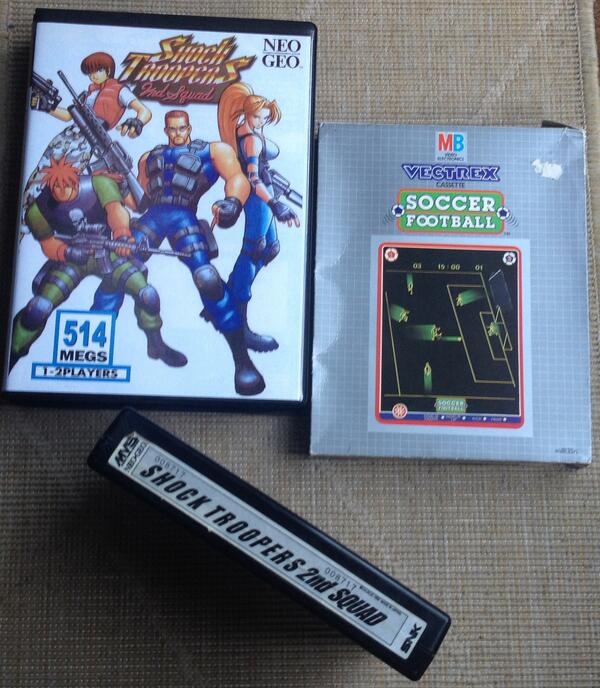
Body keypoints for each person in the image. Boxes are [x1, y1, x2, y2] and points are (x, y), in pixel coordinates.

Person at [92, 110, 265, 396]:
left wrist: (233, 202)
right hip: (151, 219)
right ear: (165, 130)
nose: (177, 133)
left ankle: (242, 361)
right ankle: (136, 341)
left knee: (207, 278)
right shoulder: (149, 157)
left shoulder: (212, 151)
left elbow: (238, 178)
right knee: (116, 270)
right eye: (172, 129)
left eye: (182, 128)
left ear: (189, 127)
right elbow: (137, 202)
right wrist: (114, 182)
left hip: (184, 218)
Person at [10, 156, 186, 371]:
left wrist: (122, 236)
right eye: (56, 187)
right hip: (71, 259)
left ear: (76, 180)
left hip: (107, 252)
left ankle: (156, 344)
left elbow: (115, 211)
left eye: (67, 185)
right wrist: (66, 251)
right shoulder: (38, 209)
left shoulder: (98, 184)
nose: (62, 191)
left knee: (147, 295)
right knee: (38, 308)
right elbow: (48, 243)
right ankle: (12, 352)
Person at [217, 82, 300, 352]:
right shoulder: (250, 139)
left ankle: (227, 298)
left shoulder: (252, 132)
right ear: (246, 114)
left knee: (271, 248)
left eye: (265, 118)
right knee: (253, 250)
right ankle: (238, 326)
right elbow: (253, 178)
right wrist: (275, 204)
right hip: (259, 198)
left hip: (267, 193)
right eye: (257, 117)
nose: (261, 122)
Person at [24, 52, 152, 213]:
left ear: (108, 71)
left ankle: (48, 210)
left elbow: (144, 111)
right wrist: (46, 107)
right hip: (69, 135)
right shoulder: (89, 93)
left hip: (90, 140)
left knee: (64, 177)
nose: (93, 75)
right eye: (90, 72)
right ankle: (26, 207)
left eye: (98, 70)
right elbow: (68, 116)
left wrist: (137, 122)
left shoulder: (120, 90)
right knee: (43, 170)